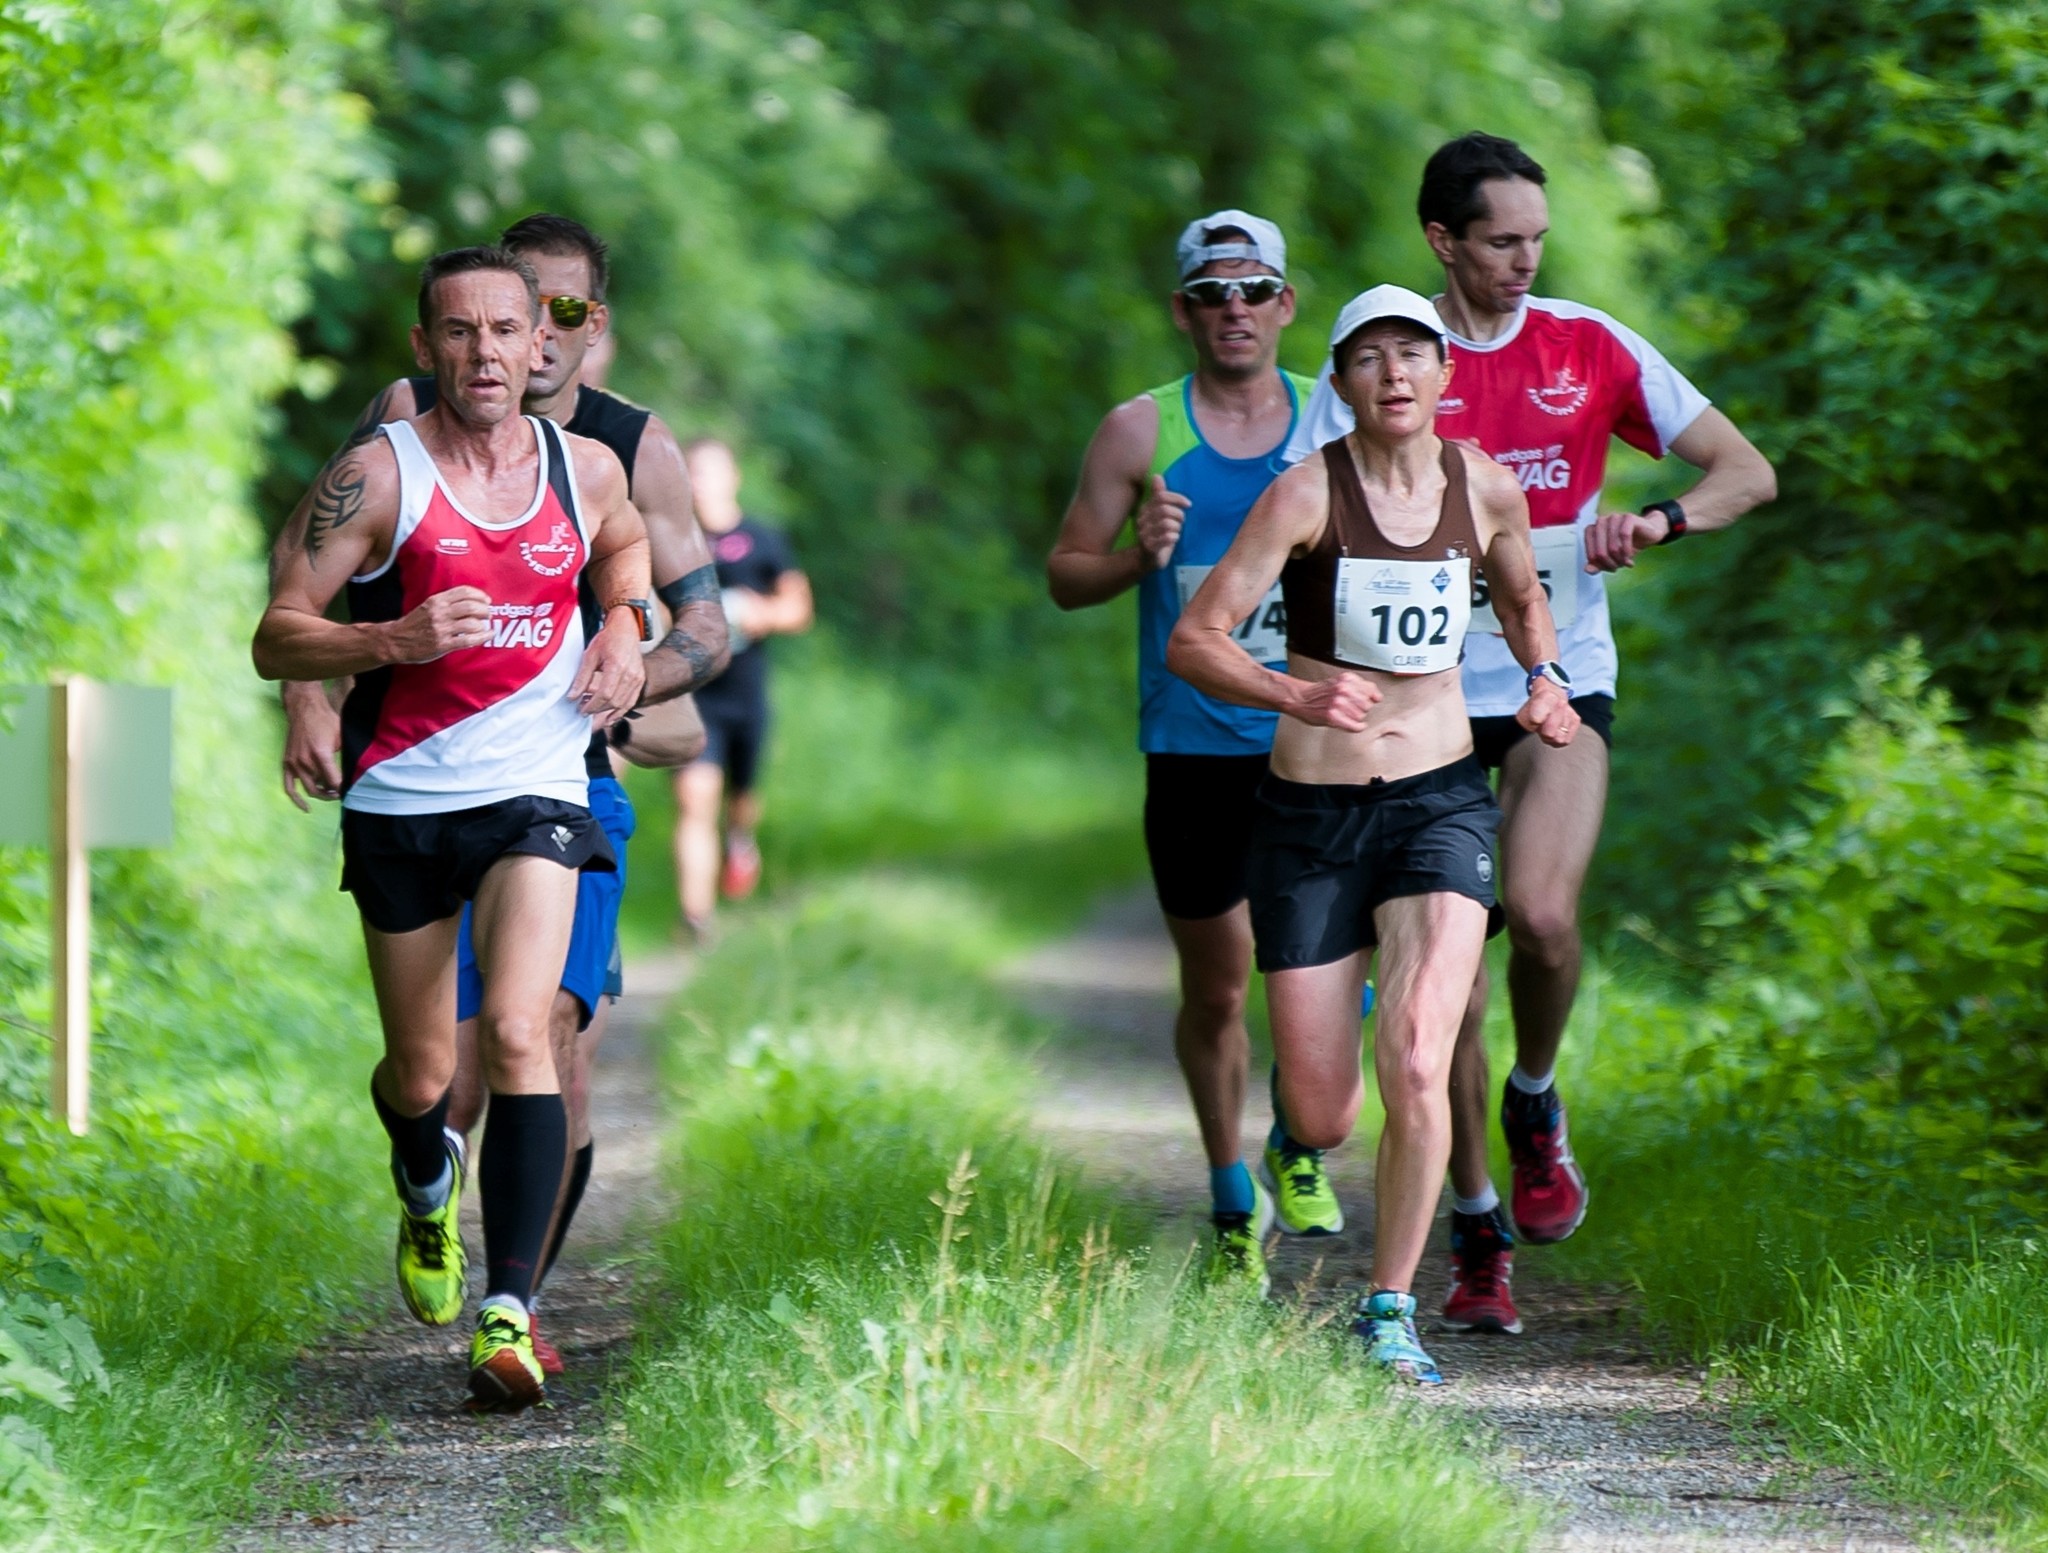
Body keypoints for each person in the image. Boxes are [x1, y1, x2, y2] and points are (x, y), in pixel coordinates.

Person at [1285, 133, 1776, 1336]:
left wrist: (1653, 521)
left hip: (1560, 677)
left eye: (1534, 240)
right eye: (1499, 240)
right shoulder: (1382, 363)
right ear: (1443, 241)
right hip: (1420, 706)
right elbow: (1294, 531)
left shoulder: (1586, 345)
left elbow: (1746, 471)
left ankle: (1535, 1097)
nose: (1522, 260)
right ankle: (1471, 1220)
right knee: (1437, 983)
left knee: (1545, 918)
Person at [275, 214, 730, 1377]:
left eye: (514, 330)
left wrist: (626, 635)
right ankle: (427, 1177)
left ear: (548, 344)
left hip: (544, 783)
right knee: (428, 1075)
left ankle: (511, 1309)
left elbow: (629, 554)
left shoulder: (598, 463)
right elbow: (279, 633)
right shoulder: (380, 467)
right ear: (425, 346)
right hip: (403, 795)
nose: (489, 351)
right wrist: (383, 644)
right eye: (462, 331)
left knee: (532, 1031)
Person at [1170, 286, 1575, 1382]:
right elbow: (1193, 639)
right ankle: (1296, 1134)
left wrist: (1542, 680)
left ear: (1444, 374)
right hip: (1308, 816)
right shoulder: (1304, 494)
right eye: (1367, 358)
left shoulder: (1483, 485)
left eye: (1413, 354)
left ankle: (1387, 1303)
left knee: (1415, 1048)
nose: (1393, 373)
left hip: (1440, 799)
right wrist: (1287, 695)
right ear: (1341, 382)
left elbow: (1521, 591)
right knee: (1327, 1106)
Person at [1046, 211, 1324, 1293]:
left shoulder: (1329, 417)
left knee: (1329, 968)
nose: (1235, 312)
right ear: (1183, 311)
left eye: (1255, 291)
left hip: (1313, 735)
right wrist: (1134, 557)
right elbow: (1065, 572)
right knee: (1217, 987)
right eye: (1213, 294)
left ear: (1284, 304)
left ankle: (1300, 1133)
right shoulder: (1137, 431)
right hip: (1191, 749)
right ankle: (1226, 1196)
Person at [673, 437, 812, 937]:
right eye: (695, 473)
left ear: (734, 478)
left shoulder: (763, 539)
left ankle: (740, 838)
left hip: (746, 696)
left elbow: (800, 608)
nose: (703, 482)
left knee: (741, 800)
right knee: (694, 798)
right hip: (694, 694)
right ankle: (696, 918)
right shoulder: (674, 540)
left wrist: (762, 614)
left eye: (712, 472)